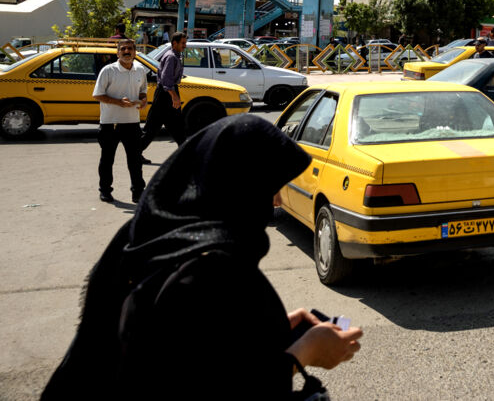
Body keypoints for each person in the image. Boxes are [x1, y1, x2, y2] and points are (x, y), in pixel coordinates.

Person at [42, 116, 363, 400]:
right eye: (270, 185)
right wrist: (304, 354)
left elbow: (198, 345)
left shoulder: (156, 235)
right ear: (239, 182)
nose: (277, 199)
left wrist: (268, 328)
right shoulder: (208, 268)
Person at [91, 39, 149, 204]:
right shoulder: (108, 71)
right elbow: (97, 95)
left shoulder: (140, 70)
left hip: (132, 123)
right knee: (107, 159)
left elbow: (143, 90)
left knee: (135, 161)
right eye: (123, 49)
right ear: (117, 53)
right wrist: (118, 102)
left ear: (135, 52)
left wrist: (143, 100)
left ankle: (138, 192)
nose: (126, 51)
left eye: (129, 49)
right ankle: (105, 191)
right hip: (111, 123)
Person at [142, 32, 187, 155]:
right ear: (174, 43)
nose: (185, 45)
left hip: (168, 92)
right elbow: (166, 80)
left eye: (185, 43)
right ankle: (135, 154)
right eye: (182, 43)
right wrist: (174, 97)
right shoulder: (171, 57)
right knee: (152, 127)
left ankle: (185, 153)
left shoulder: (176, 56)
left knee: (177, 126)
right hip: (165, 94)